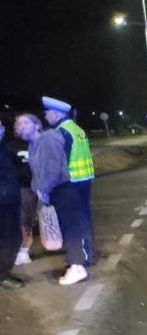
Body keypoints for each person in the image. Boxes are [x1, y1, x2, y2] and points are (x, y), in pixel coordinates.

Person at [15, 113, 87, 285]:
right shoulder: (33, 145)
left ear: (36, 124)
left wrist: (44, 189)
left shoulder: (48, 139)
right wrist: (38, 189)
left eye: (25, 123)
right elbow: (36, 173)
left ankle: (78, 267)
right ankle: (75, 263)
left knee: (70, 228)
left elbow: (53, 168)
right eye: (18, 125)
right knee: (64, 227)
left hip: (62, 189)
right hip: (51, 191)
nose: (21, 127)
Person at [42, 97, 96, 266]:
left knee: (74, 222)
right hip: (83, 180)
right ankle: (89, 254)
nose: (45, 117)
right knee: (84, 218)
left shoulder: (60, 132)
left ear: (56, 113)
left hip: (70, 183)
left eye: (47, 113)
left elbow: (58, 162)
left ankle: (81, 259)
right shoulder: (76, 129)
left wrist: (47, 186)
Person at [5, 125, 36, 266]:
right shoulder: (11, 146)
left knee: (36, 220)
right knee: (23, 221)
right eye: (18, 125)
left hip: (40, 187)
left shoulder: (37, 142)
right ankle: (23, 250)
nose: (21, 128)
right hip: (22, 188)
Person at [0, 120, 25, 289]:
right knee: (10, 239)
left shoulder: (4, 147)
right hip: (4, 200)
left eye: (1, 125)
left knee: (13, 238)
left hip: (10, 198)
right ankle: (2, 276)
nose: (1, 129)